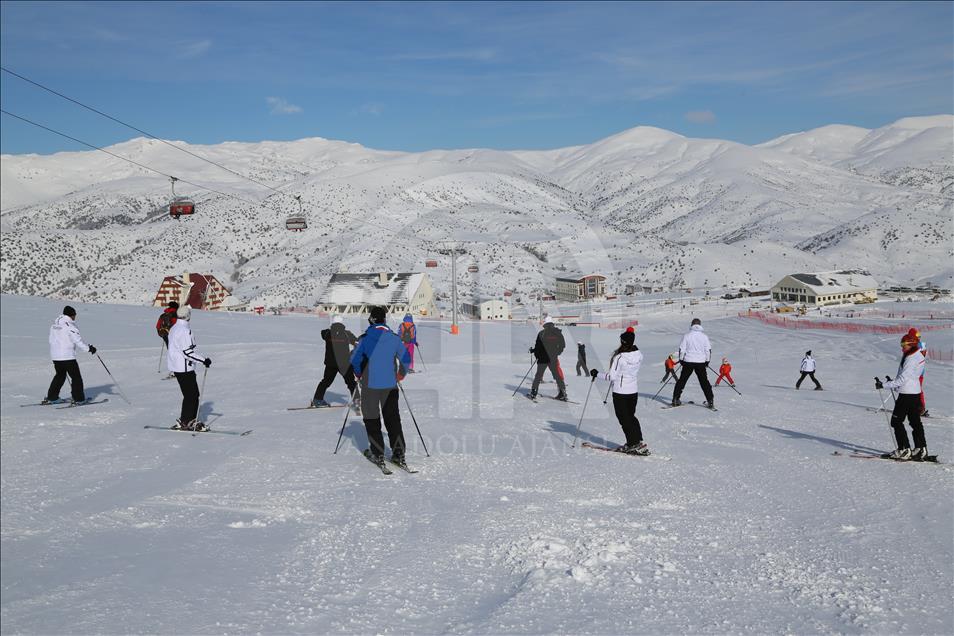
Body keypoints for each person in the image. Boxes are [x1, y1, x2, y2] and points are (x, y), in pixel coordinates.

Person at [350, 305, 412, 466]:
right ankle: (399, 453)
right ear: (384, 320)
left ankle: (377, 453)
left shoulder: (364, 339)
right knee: (392, 419)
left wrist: (359, 373)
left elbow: (354, 360)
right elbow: (406, 359)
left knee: (372, 418)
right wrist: (400, 374)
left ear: (371, 320)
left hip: (370, 386)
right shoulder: (394, 338)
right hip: (390, 386)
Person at [595, 330, 648, 454]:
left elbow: (611, 377)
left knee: (624, 419)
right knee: (630, 416)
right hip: (633, 391)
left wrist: (596, 374)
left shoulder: (620, 357)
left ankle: (632, 443)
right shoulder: (639, 354)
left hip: (620, 392)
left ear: (622, 342)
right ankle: (638, 440)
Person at [876, 332, 928, 460]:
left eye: (904, 344)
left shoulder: (911, 358)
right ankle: (921, 449)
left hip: (907, 395)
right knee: (915, 422)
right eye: (901, 344)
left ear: (911, 344)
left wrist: (884, 384)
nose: (902, 347)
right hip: (914, 392)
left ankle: (904, 449)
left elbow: (903, 379)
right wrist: (893, 382)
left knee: (896, 421)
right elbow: (908, 377)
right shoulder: (916, 354)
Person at [166, 304, 211, 431]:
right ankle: (190, 421)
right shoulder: (185, 331)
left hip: (177, 367)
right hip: (185, 368)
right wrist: (204, 360)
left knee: (189, 394)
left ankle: (185, 419)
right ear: (188, 316)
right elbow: (187, 353)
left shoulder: (174, 328)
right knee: (192, 395)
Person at [44, 306, 95, 405]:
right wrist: (89, 349)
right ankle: (79, 399)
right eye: (75, 315)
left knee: (60, 375)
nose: (75, 317)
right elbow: (77, 341)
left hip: (55, 356)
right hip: (67, 356)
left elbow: (51, 340)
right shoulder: (70, 326)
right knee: (76, 377)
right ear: (72, 315)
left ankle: (52, 397)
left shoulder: (54, 325)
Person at [312, 316, 358, 408]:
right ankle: (357, 400)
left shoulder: (327, 333)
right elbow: (357, 343)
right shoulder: (346, 333)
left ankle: (317, 400)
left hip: (330, 364)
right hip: (344, 363)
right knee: (351, 383)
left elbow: (322, 332)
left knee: (325, 382)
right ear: (342, 323)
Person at [671, 318, 714, 409]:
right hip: (700, 362)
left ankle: (675, 399)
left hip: (688, 361)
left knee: (682, 380)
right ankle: (710, 401)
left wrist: (681, 360)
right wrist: (707, 361)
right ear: (700, 325)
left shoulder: (687, 336)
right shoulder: (704, 337)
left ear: (692, 325)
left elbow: (682, 349)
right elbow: (708, 350)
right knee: (704, 382)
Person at [528, 317, 567, 401]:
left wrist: (536, 354)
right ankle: (563, 393)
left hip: (542, 359)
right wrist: (557, 353)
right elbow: (562, 345)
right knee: (557, 376)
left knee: (538, 375)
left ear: (545, 324)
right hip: (553, 358)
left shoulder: (542, 333)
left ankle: (533, 392)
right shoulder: (557, 333)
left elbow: (538, 347)